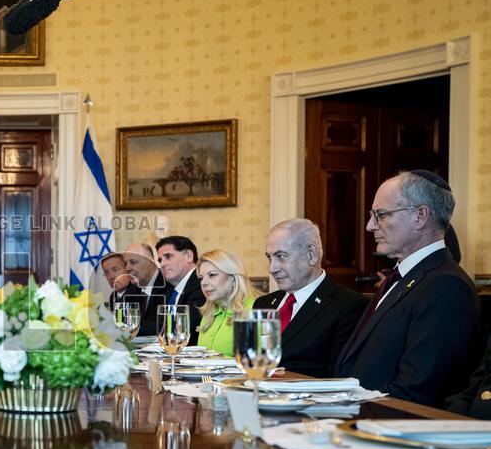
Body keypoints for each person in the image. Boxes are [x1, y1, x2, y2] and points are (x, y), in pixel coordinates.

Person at [335, 171, 482, 406]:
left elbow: (417, 390)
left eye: (381, 215)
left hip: (386, 429)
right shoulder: (403, 277)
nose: (370, 226)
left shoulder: (446, 286)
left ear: (420, 216)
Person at [254, 219, 367, 377]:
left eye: (281, 257)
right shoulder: (263, 303)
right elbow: (252, 363)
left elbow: (338, 378)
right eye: (269, 258)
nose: (272, 268)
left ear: (311, 254)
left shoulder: (348, 306)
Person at [195, 249, 256, 356]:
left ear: (233, 278)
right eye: (201, 278)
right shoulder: (208, 314)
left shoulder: (255, 309)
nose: (203, 283)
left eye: (212, 275)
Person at [155, 235, 206, 344]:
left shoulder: (201, 285)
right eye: (160, 260)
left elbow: (187, 331)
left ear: (189, 256)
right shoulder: (170, 291)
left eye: (168, 257)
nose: (162, 264)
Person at [123, 243, 165, 337]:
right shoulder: (131, 289)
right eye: (125, 263)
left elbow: (161, 326)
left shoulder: (168, 284)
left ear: (150, 261)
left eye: (133, 262)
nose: (127, 268)